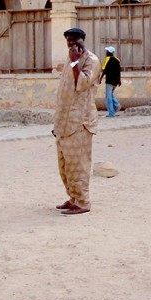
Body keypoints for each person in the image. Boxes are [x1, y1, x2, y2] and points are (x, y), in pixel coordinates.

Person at [53, 27, 100, 215]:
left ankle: (82, 202)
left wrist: (75, 63)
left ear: (83, 40)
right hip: (64, 123)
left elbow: (81, 84)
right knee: (65, 166)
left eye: (75, 41)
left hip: (80, 122)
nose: (71, 45)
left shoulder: (91, 61)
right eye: (69, 41)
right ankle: (72, 197)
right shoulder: (69, 59)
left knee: (78, 165)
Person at [97, 46, 121, 118]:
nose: (106, 52)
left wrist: (100, 79)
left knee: (108, 97)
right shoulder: (117, 60)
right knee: (110, 94)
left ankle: (112, 112)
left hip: (109, 80)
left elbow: (104, 70)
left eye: (107, 51)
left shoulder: (107, 59)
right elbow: (118, 71)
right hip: (115, 81)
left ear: (109, 52)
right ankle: (116, 105)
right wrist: (119, 80)